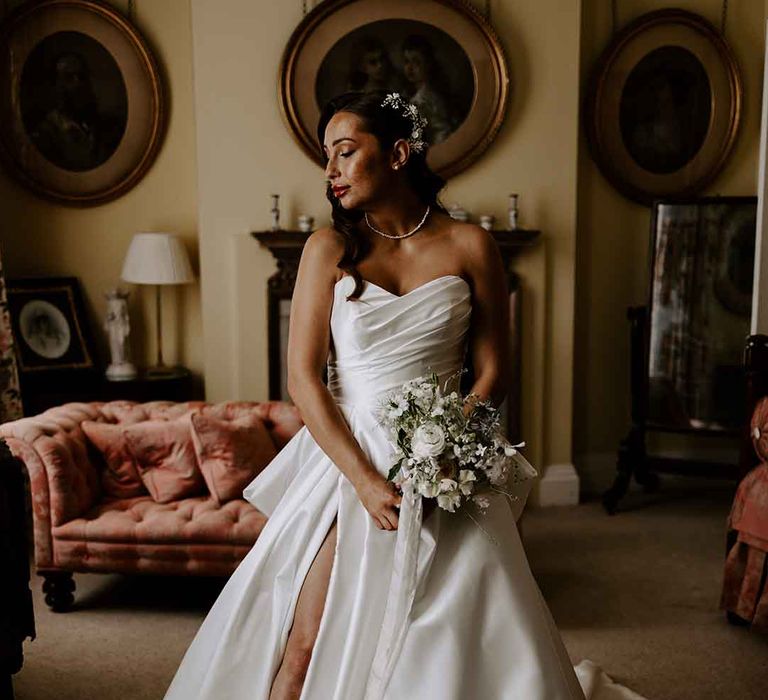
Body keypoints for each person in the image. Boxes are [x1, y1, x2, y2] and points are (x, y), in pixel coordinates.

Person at [164, 90, 646, 699]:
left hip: (445, 458)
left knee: (453, 634)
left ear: (396, 153)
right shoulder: (326, 249)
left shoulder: (471, 245)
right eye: (326, 158)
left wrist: (449, 446)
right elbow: (303, 380)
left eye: (345, 152)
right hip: (347, 459)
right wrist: (365, 480)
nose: (330, 172)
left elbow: (495, 370)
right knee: (304, 637)